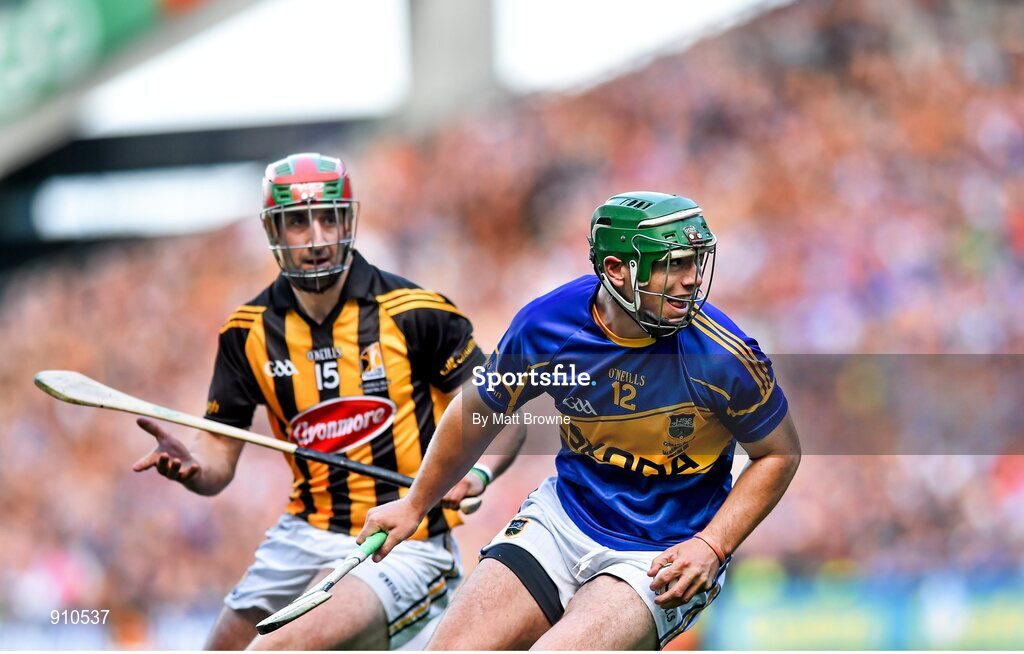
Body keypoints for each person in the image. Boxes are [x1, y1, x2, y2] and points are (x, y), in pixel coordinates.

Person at [359, 191, 802, 650]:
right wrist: (415, 504)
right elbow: (480, 411)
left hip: (662, 549)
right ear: (616, 269)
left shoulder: (726, 356)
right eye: (673, 264)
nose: (691, 279)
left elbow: (780, 454)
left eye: (695, 262)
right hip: (563, 519)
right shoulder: (546, 326)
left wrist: (713, 544)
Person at [132, 152, 523, 650]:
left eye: (328, 218)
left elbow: (506, 413)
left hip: (404, 540)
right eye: (298, 221)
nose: (316, 238)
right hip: (300, 536)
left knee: (276, 648)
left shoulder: (417, 313)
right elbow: (218, 454)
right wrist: (193, 465)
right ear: (274, 230)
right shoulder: (246, 332)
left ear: (348, 221)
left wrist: (479, 471)